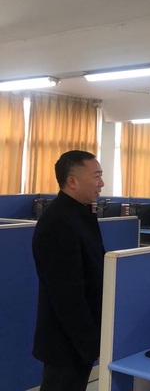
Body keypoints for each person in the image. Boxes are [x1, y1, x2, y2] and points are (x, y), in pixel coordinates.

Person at [32, 150, 106, 391]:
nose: (101, 183)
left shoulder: (81, 213)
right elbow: (67, 294)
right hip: (66, 341)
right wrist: (90, 343)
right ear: (72, 181)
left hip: (79, 338)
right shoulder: (58, 222)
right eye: (96, 176)